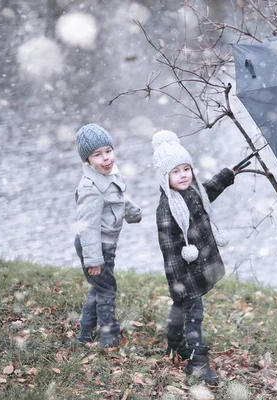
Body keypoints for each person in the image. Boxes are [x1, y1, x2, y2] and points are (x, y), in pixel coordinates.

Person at [151, 130, 236, 385]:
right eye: (176, 172)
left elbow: (206, 192)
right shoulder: (167, 208)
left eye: (186, 168)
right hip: (184, 273)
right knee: (193, 312)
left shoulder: (191, 191)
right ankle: (197, 363)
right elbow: (168, 249)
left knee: (181, 307)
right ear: (165, 178)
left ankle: (175, 343)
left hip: (196, 266)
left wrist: (226, 176)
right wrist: (181, 285)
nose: (184, 175)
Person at [74, 123, 142, 349]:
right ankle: (109, 337)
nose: (106, 158)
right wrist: (94, 260)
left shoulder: (109, 174)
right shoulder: (91, 188)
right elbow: (87, 226)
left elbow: (118, 196)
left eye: (108, 151)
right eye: (97, 155)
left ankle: (85, 333)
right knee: (106, 290)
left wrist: (133, 213)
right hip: (95, 246)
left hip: (105, 245)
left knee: (99, 288)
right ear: (87, 161)